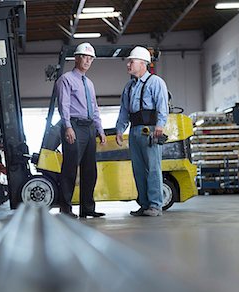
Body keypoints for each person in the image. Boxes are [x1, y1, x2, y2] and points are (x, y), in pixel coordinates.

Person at [115, 46, 169, 217]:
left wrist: (160, 126)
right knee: (138, 169)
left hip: (151, 130)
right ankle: (144, 204)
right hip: (134, 131)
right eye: (128, 62)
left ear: (143, 63)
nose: (128, 65)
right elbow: (124, 111)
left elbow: (162, 106)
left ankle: (155, 205)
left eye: (131, 61)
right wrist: (119, 130)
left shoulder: (156, 82)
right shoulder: (129, 87)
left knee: (153, 168)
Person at [55, 42, 107, 219]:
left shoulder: (89, 83)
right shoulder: (66, 79)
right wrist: (68, 126)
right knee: (70, 168)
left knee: (90, 170)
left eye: (90, 58)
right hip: (74, 127)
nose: (87, 61)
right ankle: (66, 209)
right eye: (84, 57)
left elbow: (94, 107)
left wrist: (100, 129)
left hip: (89, 128)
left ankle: (87, 208)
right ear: (76, 58)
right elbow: (64, 105)